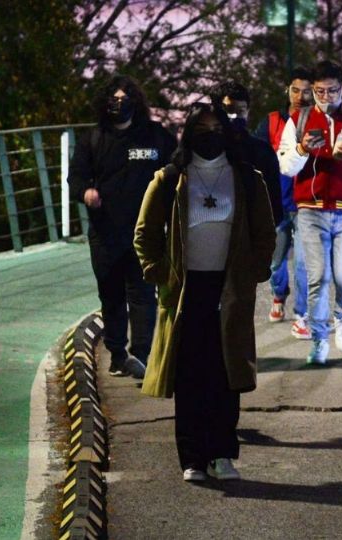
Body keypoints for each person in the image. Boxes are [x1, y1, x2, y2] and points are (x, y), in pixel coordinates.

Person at [133, 102, 276, 482]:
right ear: (189, 134)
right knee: (189, 376)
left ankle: (223, 454)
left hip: (230, 289)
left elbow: (265, 233)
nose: (210, 136)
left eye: (217, 128)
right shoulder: (170, 179)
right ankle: (192, 458)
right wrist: (161, 274)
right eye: (202, 129)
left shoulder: (247, 178)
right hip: (185, 290)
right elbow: (145, 235)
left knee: (226, 374)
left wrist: (254, 273)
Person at [68, 74, 176, 378]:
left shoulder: (156, 137)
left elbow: (178, 167)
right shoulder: (93, 139)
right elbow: (75, 178)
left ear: (136, 103)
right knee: (111, 295)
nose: (119, 105)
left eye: (124, 99)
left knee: (143, 294)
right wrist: (85, 193)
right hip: (105, 232)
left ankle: (140, 355)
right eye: (113, 100)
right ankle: (117, 354)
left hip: (145, 231)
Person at [277, 60, 342, 364]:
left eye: (332, 90)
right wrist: (302, 149)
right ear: (313, 90)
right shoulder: (298, 120)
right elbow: (284, 166)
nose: (326, 97)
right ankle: (319, 340)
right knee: (318, 278)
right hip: (309, 211)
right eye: (320, 91)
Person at [254, 67, 313, 338]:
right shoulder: (271, 122)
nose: (301, 96)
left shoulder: (318, 122)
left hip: (305, 205)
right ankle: (279, 296)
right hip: (275, 205)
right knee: (274, 263)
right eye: (296, 90)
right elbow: (254, 158)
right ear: (287, 91)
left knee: (303, 263)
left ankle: (302, 315)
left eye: (307, 91)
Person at [211, 81, 283, 227]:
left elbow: (274, 200)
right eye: (229, 110)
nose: (235, 116)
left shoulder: (262, 151)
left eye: (241, 110)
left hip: (250, 231)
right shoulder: (204, 149)